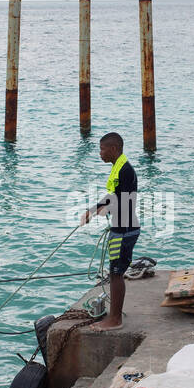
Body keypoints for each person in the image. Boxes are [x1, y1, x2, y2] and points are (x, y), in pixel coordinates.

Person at [80, 132, 139, 330]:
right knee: (115, 271)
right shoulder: (118, 167)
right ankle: (114, 315)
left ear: (113, 149)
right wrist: (92, 210)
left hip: (125, 230)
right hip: (120, 228)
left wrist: (104, 210)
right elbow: (112, 195)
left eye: (102, 149)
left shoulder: (126, 171)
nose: (100, 153)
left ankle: (115, 320)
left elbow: (123, 202)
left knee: (116, 273)